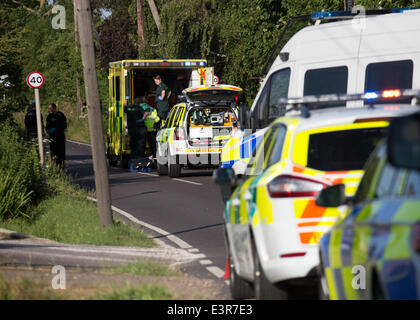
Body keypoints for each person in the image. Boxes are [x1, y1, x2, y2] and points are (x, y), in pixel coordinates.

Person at [124, 97, 148, 171]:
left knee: (133, 145)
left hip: (132, 129)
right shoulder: (139, 108)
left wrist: (126, 100)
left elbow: (124, 108)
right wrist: (142, 119)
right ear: (139, 103)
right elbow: (146, 113)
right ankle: (140, 162)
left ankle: (133, 162)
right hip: (140, 129)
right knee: (140, 146)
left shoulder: (129, 107)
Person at [46, 103, 67, 167]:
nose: (50, 110)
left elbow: (64, 124)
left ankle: (62, 166)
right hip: (52, 137)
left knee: (61, 152)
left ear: (54, 108)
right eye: (49, 108)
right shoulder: (49, 116)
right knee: (53, 152)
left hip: (60, 137)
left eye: (51, 108)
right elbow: (47, 127)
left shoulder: (60, 114)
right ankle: (55, 166)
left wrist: (57, 128)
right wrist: (50, 130)